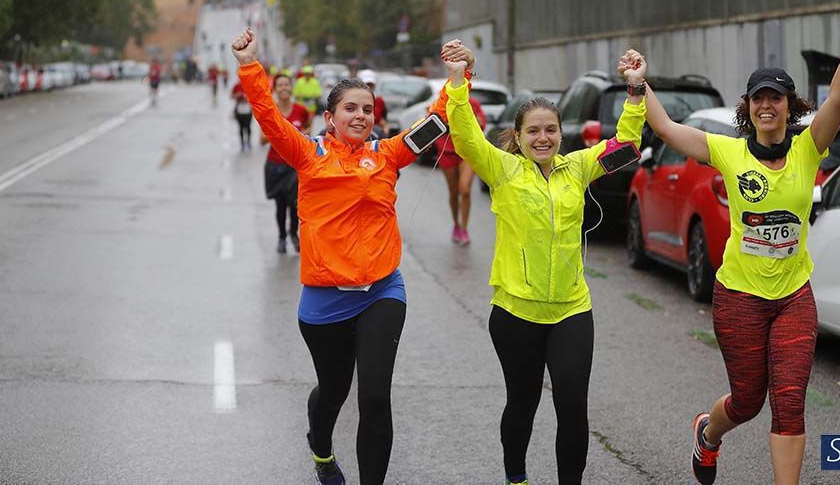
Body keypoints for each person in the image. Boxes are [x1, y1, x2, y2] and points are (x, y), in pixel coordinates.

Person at [637, 0, 840, 485]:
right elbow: (668, 128)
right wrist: (639, 85)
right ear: (748, 107)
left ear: (788, 106)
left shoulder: (809, 148)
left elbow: (838, 99)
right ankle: (708, 434)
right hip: (739, 296)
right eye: (758, 98)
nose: (766, 105)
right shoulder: (729, 151)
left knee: (790, 401)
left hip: (793, 297)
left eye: (775, 98)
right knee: (747, 401)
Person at [232, 27, 462, 485]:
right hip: (325, 300)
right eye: (350, 108)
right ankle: (321, 449)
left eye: (367, 109)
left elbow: (438, 121)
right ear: (330, 116)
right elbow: (269, 117)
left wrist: (457, 78)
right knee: (334, 391)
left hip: (382, 290)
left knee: (374, 397)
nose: (360, 116)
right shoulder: (307, 153)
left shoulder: (389, 153)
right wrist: (249, 65)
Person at [440, 39, 648, 485]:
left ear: (560, 134)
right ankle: (516, 478)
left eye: (550, 130)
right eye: (533, 131)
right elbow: (465, 136)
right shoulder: (503, 170)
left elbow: (628, 144)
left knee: (572, 406)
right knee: (523, 403)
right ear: (517, 137)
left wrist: (634, 89)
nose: (543, 138)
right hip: (516, 313)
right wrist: (459, 80)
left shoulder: (579, 167)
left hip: (572, 310)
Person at [259, 72, 309, 253]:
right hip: (276, 165)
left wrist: (300, 135)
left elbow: (307, 134)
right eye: (280, 85)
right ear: (275, 89)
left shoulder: (301, 111)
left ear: (291, 87)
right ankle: (281, 237)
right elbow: (261, 140)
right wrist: (278, 132)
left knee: (295, 204)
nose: (284, 88)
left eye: (286, 84)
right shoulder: (270, 112)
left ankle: (293, 234)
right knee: (280, 205)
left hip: (295, 165)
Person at [435, 91, 486, 245]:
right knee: (453, 193)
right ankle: (456, 225)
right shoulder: (441, 103)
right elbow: (432, 124)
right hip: (447, 152)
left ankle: (464, 229)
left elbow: (482, 124)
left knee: (465, 190)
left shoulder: (472, 103)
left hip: (467, 152)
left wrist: (469, 117)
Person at [357, 70, 387, 137]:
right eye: (366, 84)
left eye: (371, 85)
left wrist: (384, 134)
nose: (368, 87)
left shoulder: (379, 100)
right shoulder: (352, 99)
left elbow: (383, 121)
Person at [294, 64, 323, 129]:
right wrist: (303, 97)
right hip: (301, 107)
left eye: (308, 73)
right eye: (306, 73)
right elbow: (295, 94)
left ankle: (308, 134)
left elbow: (318, 94)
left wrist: (310, 97)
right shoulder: (299, 82)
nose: (307, 75)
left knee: (309, 124)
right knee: (301, 123)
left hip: (311, 108)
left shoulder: (315, 82)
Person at [232, 80, 253, 152]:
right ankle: (242, 144)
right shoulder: (236, 86)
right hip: (239, 109)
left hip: (248, 109)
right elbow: (231, 96)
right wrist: (237, 95)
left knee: (248, 127)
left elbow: (254, 96)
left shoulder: (249, 86)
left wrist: (248, 97)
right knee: (241, 127)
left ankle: (248, 141)